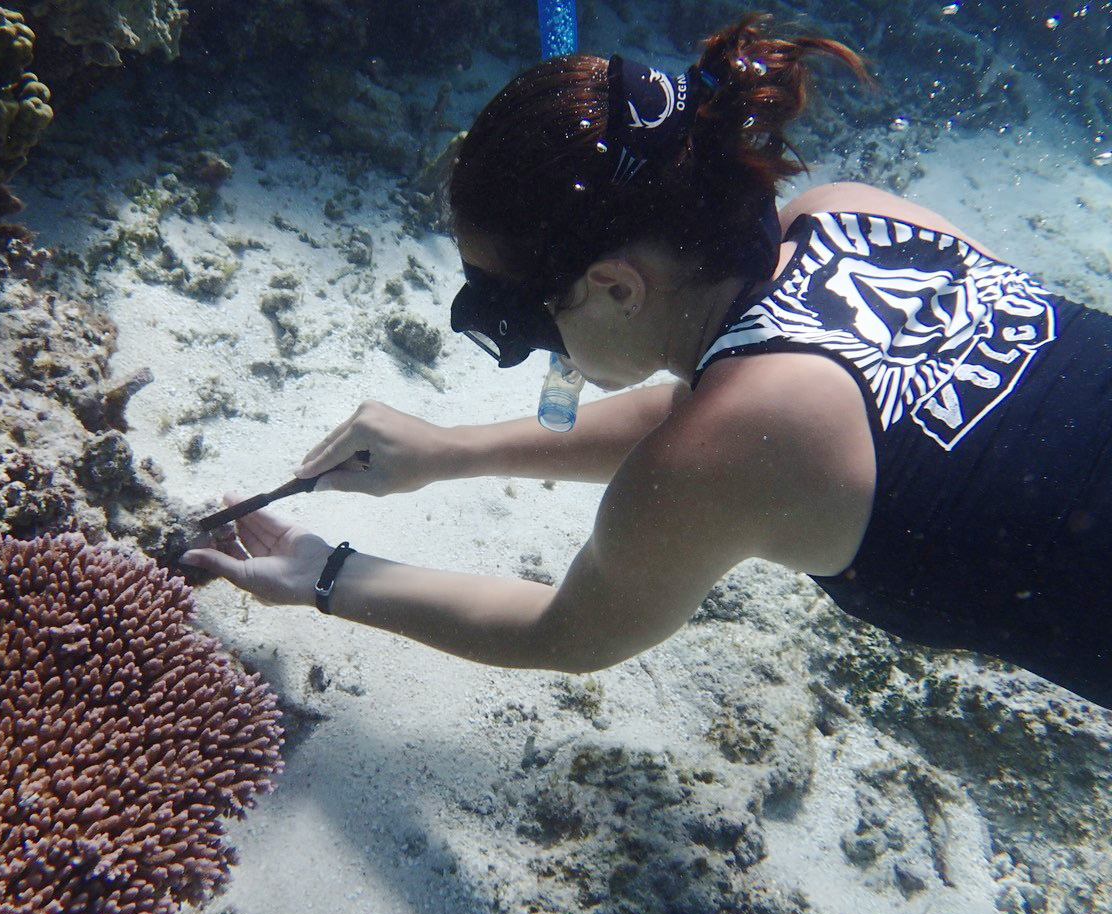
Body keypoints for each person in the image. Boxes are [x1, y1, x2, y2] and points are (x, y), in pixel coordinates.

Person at [182, 14, 1112, 709]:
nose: (532, 350)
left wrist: (324, 576)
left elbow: (565, 632)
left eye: (512, 318)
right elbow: (710, 416)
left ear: (618, 288)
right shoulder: (848, 212)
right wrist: (451, 451)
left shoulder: (726, 454)